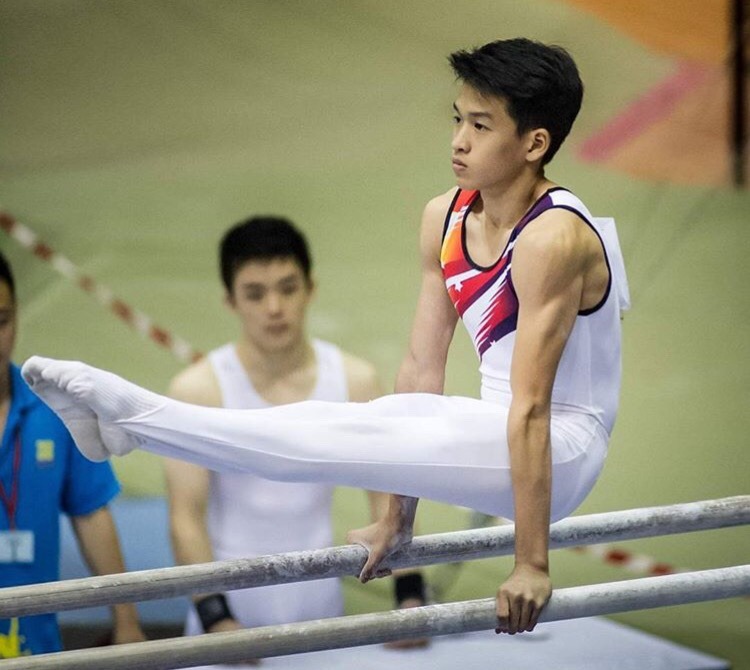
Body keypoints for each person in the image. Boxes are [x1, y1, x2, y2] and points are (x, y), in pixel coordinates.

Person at [20, 38, 626, 638]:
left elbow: (532, 407)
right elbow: (419, 373)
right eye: (457, 119)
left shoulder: (554, 238)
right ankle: (133, 429)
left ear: (534, 143)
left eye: (481, 125)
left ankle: (141, 422)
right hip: (496, 432)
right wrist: (397, 520)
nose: (458, 140)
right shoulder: (445, 217)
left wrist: (530, 563)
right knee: (371, 420)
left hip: (562, 445)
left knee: (350, 430)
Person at [163, 217, 428, 665]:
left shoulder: (353, 381)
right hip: (228, 620)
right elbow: (186, 517)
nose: (274, 307)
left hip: (320, 615)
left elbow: (388, 497)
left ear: (311, 288)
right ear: (230, 301)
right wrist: (217, 620)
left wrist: (410, 594)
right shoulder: (199, 392)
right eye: (255, 293)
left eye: (288, 288)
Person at [0, 250, 146, 658]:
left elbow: (91, 513)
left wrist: (127, 622)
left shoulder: (54, 408)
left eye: (1, 321)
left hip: (37, 646)